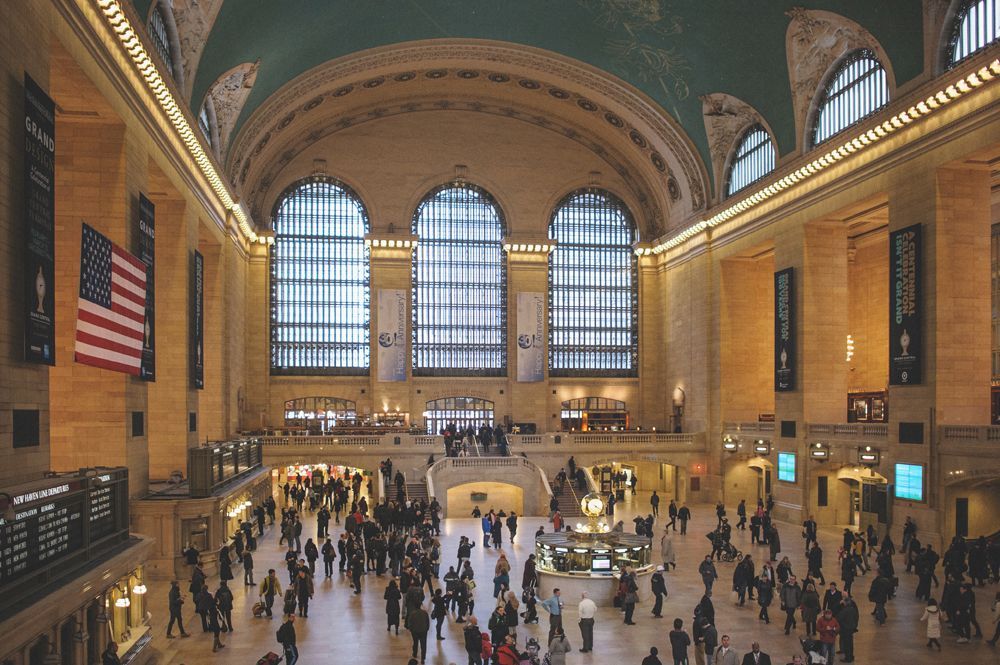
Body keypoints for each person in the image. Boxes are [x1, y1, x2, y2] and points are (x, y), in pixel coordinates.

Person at [835, 593, 859, 663]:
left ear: (845, 603)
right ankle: (851, 656)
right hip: (851, 629)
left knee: (846, 645)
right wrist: (854, 626)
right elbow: (856, 617)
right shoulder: (853, 609)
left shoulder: (845, 611)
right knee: (850, 644)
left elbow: (838, 618)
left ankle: (848, 658)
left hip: (845, 629)